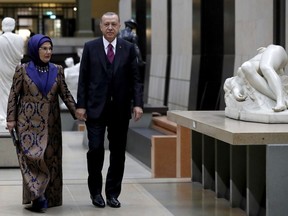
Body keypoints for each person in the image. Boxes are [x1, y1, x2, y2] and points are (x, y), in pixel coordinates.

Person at [76, 12, 144, 208]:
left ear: (119, 25)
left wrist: (138, 104)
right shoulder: (90, 47)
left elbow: (136, 79)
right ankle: (96, 192)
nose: (110, 28)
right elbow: (83, 79)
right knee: (95, 149)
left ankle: (113, 193)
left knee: (118, 153)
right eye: (106, 24)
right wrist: (81, 105)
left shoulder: (128, 48)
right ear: (100, 26)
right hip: (95, 109)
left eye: (114, 24)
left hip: (120, 110)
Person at [6, 34, 77, 213]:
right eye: (44, 48)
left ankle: (49, 197)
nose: (48, 52)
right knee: (30, 159)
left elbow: (65, 94)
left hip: (51, 124)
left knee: (50, 159)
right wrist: (11, 119)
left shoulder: (57, 69)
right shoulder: (22, 70)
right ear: (35, 50)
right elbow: (14, 95)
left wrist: (78, 112)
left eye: (50, 48)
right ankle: (37, 196)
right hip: (27, 124)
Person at [239, 44, 288, 112]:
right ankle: (280, 100)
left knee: (265, 67)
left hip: (274, 50)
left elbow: (233, 83)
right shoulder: (245, 69)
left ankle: (280, 100)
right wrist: (236, 91)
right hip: (265, 60)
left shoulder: (238, 76)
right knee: (246, 66)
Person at [0, 17, 24, 125]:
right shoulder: (19, 39)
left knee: (4, 91)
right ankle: (13, 115)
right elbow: (21, 55)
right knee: (14, 91)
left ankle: (4, 116)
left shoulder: (0, 39)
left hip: (2, 69)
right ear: (13, 26)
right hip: (15, 68)